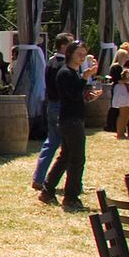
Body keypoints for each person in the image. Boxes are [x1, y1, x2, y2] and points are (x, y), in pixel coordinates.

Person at [38, 41, 101, 211]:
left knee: (65, 157)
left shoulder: (72, 73)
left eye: (84, 54)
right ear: (70, 54)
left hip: (72, 119)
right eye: (79, 54)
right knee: (77, 159)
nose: (82, 57)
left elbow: (75, 95)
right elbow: (72, 95)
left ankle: (47, 190)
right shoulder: (65, 73)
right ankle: (71, 197)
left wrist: (88, 94)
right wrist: (85, 77)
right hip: (70, 121)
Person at [30, 33, 76, 192]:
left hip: (52, 105)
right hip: (61, 106)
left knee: (52, 143)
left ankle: (39, 178)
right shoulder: (63, 65)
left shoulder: (51, 61)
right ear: (63, 46)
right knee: (69, 146)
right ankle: (68, 182)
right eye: (71, 43)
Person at [111, 65, 129, 139]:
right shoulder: (116, 67)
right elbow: (117, 79)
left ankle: (122, 131)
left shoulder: (126, 66)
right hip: (120, 89)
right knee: (123, 112)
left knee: (128, 111)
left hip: (126, 90)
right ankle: (120, 133)